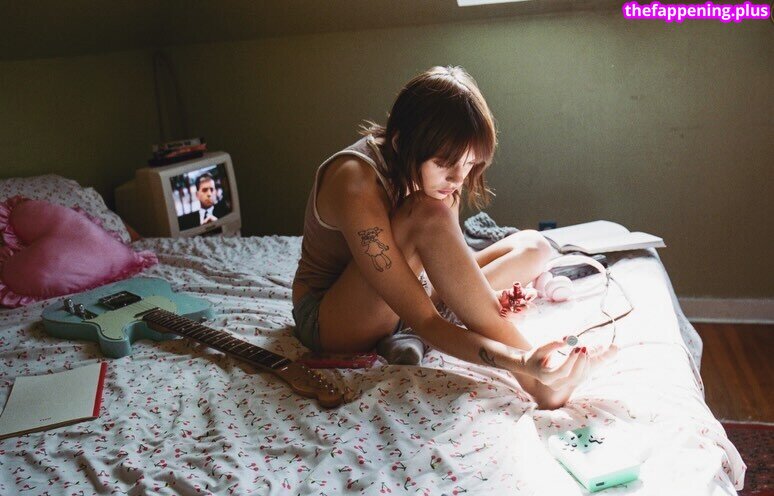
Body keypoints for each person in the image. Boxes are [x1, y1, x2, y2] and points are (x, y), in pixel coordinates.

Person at [291, 66, 616, 409]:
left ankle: (418, 337)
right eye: (445, 163)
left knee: (534, 247)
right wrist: (521, 360)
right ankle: (538, 382)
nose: (458, 178)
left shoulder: (438, 176)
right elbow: (426, 318)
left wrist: (484, 296)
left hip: (402, 296)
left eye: (470, 163)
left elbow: (443, 266)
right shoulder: (356, 182)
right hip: (329, 322)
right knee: (428, 214)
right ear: (401, 143)